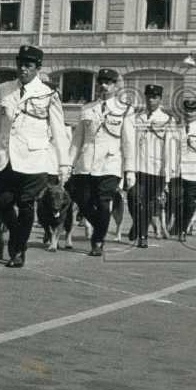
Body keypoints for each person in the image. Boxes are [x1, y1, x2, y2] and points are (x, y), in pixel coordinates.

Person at [0, 45, 71, 268]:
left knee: (25, 205)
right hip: (5, 158)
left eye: (29, 65)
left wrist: (64, 163)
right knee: (2, 201)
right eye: (20, 64)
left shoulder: (49, 93)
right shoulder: (4, 89)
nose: (23, 69)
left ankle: (18, 251)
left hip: (34, 159)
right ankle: (17, 235)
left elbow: (59, 130)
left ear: (38, 68)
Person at [68, 69, 136, 256]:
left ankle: (97, 240)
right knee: (82, 201)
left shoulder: (126, 111)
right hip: (87, 162)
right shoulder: (87, 108)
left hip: (110, 164)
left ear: (116, 85)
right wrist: (68, 164)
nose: (104, 85)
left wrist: (130, 170)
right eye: (101, 82)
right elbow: (77, 140)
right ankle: (101, 226)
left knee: (104, 202)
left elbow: (128, 143)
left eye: (109, 82)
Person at [128, 84, 174, 248]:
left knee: (148, 203)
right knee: (133, 197)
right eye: (148, 96)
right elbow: (131, 143)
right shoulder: (137, 118)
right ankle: (138, 224)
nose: (150, 100)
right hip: (138, 167)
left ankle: (142, 236)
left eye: (154, 97)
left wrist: (167, 175)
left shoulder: (167, 119)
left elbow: (170, 148)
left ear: (160, 99)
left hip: (157, 170)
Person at [168, 98, 196, 240]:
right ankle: (178, 224)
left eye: (192, 111)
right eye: (187, 110)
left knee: (189, 203)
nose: (189, 114)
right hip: (177, 171)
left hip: (195, 173)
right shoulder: (177, 130)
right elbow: (172, 151)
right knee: (176, 200)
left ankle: (183, 229)